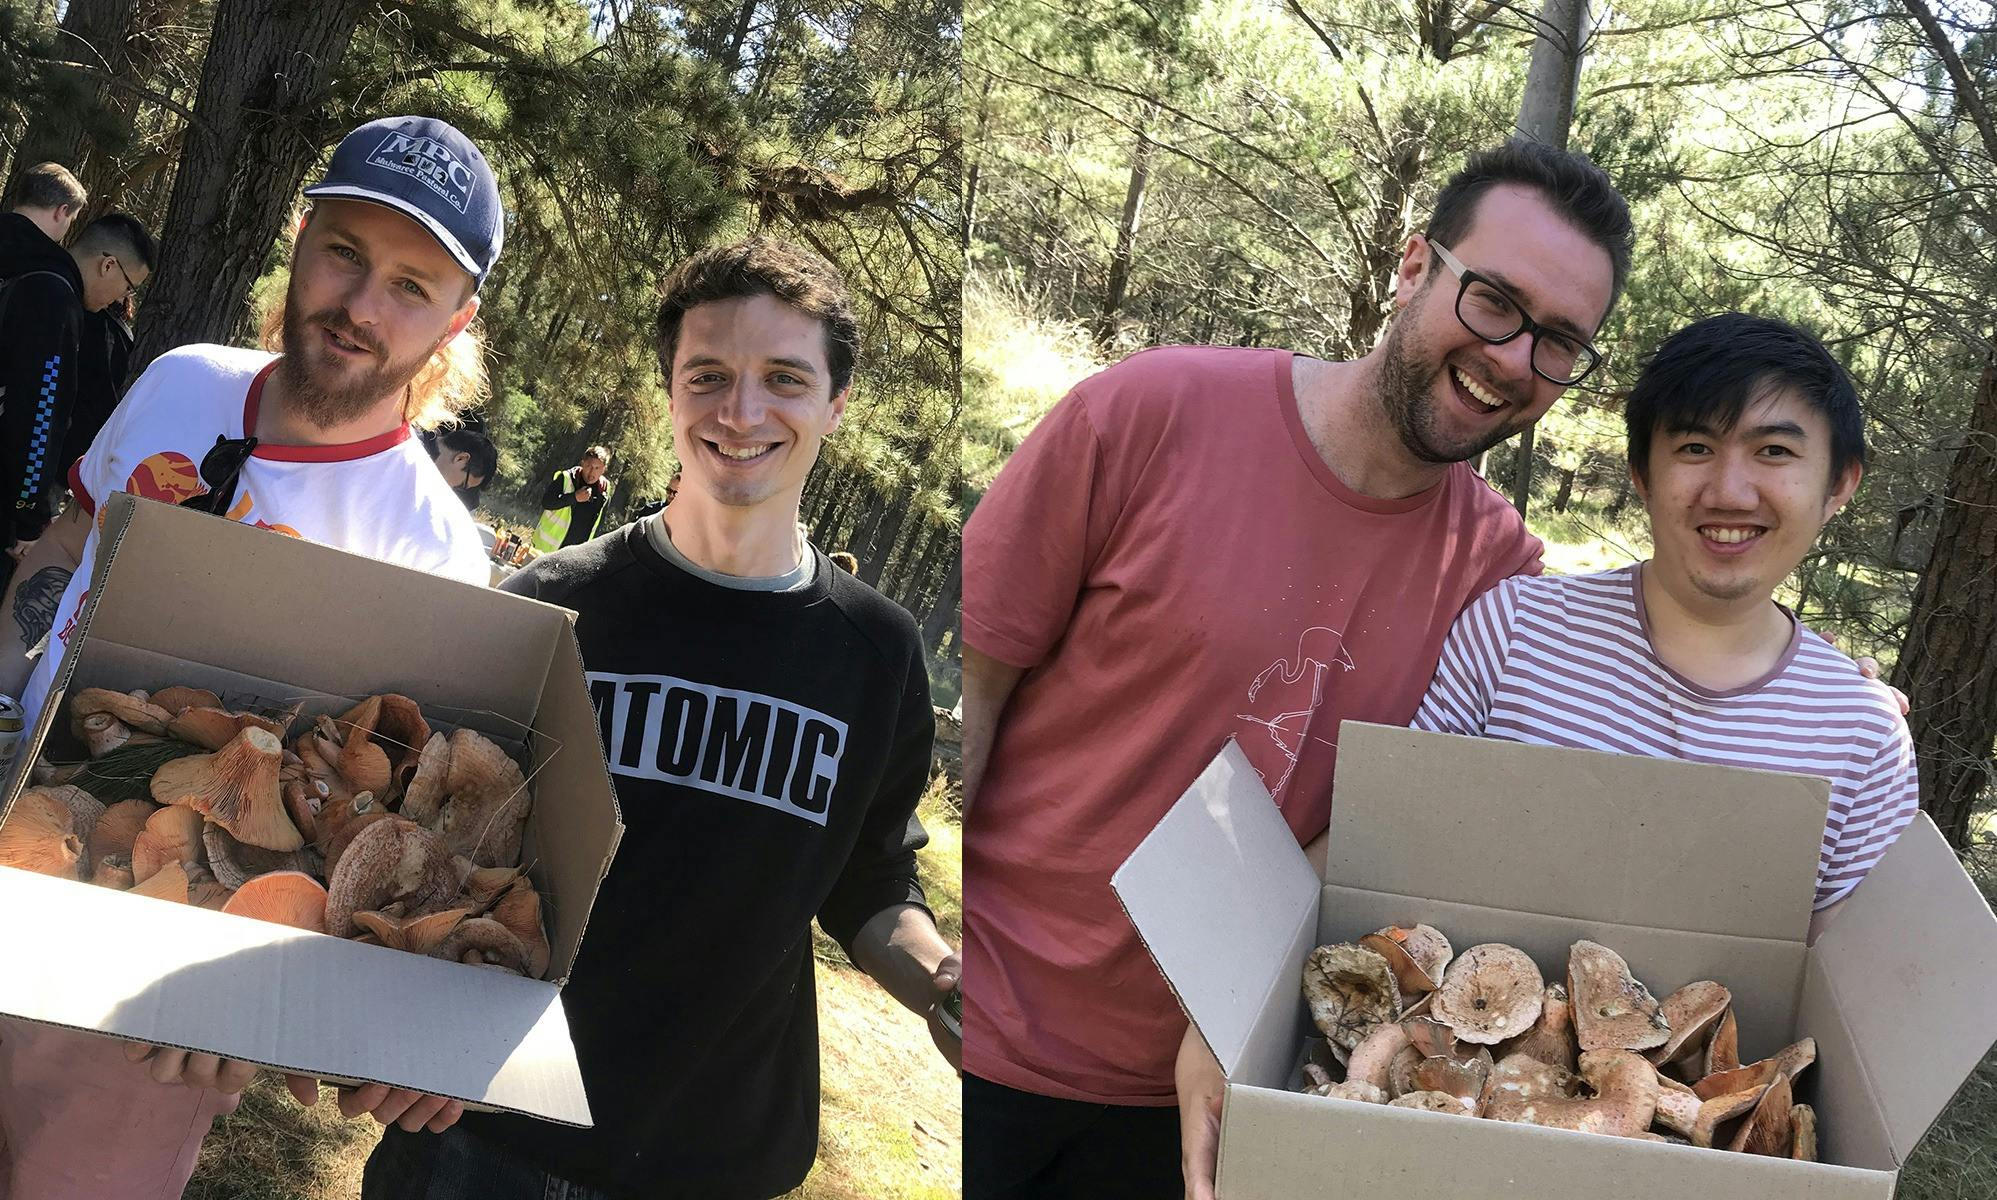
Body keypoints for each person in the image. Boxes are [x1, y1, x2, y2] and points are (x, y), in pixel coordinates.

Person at [959, 140, 1634, 1199]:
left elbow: (1623, 672)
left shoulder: (1497, 575)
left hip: (1217, 1091)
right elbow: (985, 680)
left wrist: (1814, 678)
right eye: (1494, 301)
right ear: (1414, 267)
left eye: (1557, 342)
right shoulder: (1152, 411)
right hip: (993, 1034)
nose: (1512, 359)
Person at [362, 237, 960, 1200]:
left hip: (707, 1152)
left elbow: (873, 878)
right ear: (670, 393)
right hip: (482, 1134)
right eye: (709, 375)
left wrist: (941, 982)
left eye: (784, 379)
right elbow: (437, 849)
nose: (742, 411)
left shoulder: (876, 655)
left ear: (835, 406)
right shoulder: (547, 607)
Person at [0, 113, 505, 1200]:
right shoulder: (180, 380)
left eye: (411, 288)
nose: (362, 307)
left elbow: (380, 827)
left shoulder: (432, 555)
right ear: (299, 236)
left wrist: (254, 1006)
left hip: (142, 993)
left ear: (455, 322)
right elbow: (65, 540)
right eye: (345, 254)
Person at [1411, 313, 1918, 941]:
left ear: (1839, 483)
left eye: (1775, 451)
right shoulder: (1513, 632)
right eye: (1695, 448)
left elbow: (1852, 985)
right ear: (1642, 475)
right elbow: (1403, 850)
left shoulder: (1862, 738)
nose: (1730, 492)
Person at [0, 196, 154, 580]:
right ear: (108, 265)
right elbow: (40, 417)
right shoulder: (56, 301)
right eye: (128, 286)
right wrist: (27, 519)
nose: (122, 299)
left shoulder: (21, 267)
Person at [530, 444, 611, 551]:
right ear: (582, 463)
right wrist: (574, 498)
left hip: (576, 554)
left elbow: (598, 525)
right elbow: (547, 502)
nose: (591, 473)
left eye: (597, 468)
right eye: (588, 466)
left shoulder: (604, 489)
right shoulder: (566, 478)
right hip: (547, 549)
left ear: (603, 469)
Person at [421, 420, 497, 509]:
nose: (452, 488)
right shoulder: (411, 453)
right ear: (461, 459)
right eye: (462, 485)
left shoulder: (414, 435)